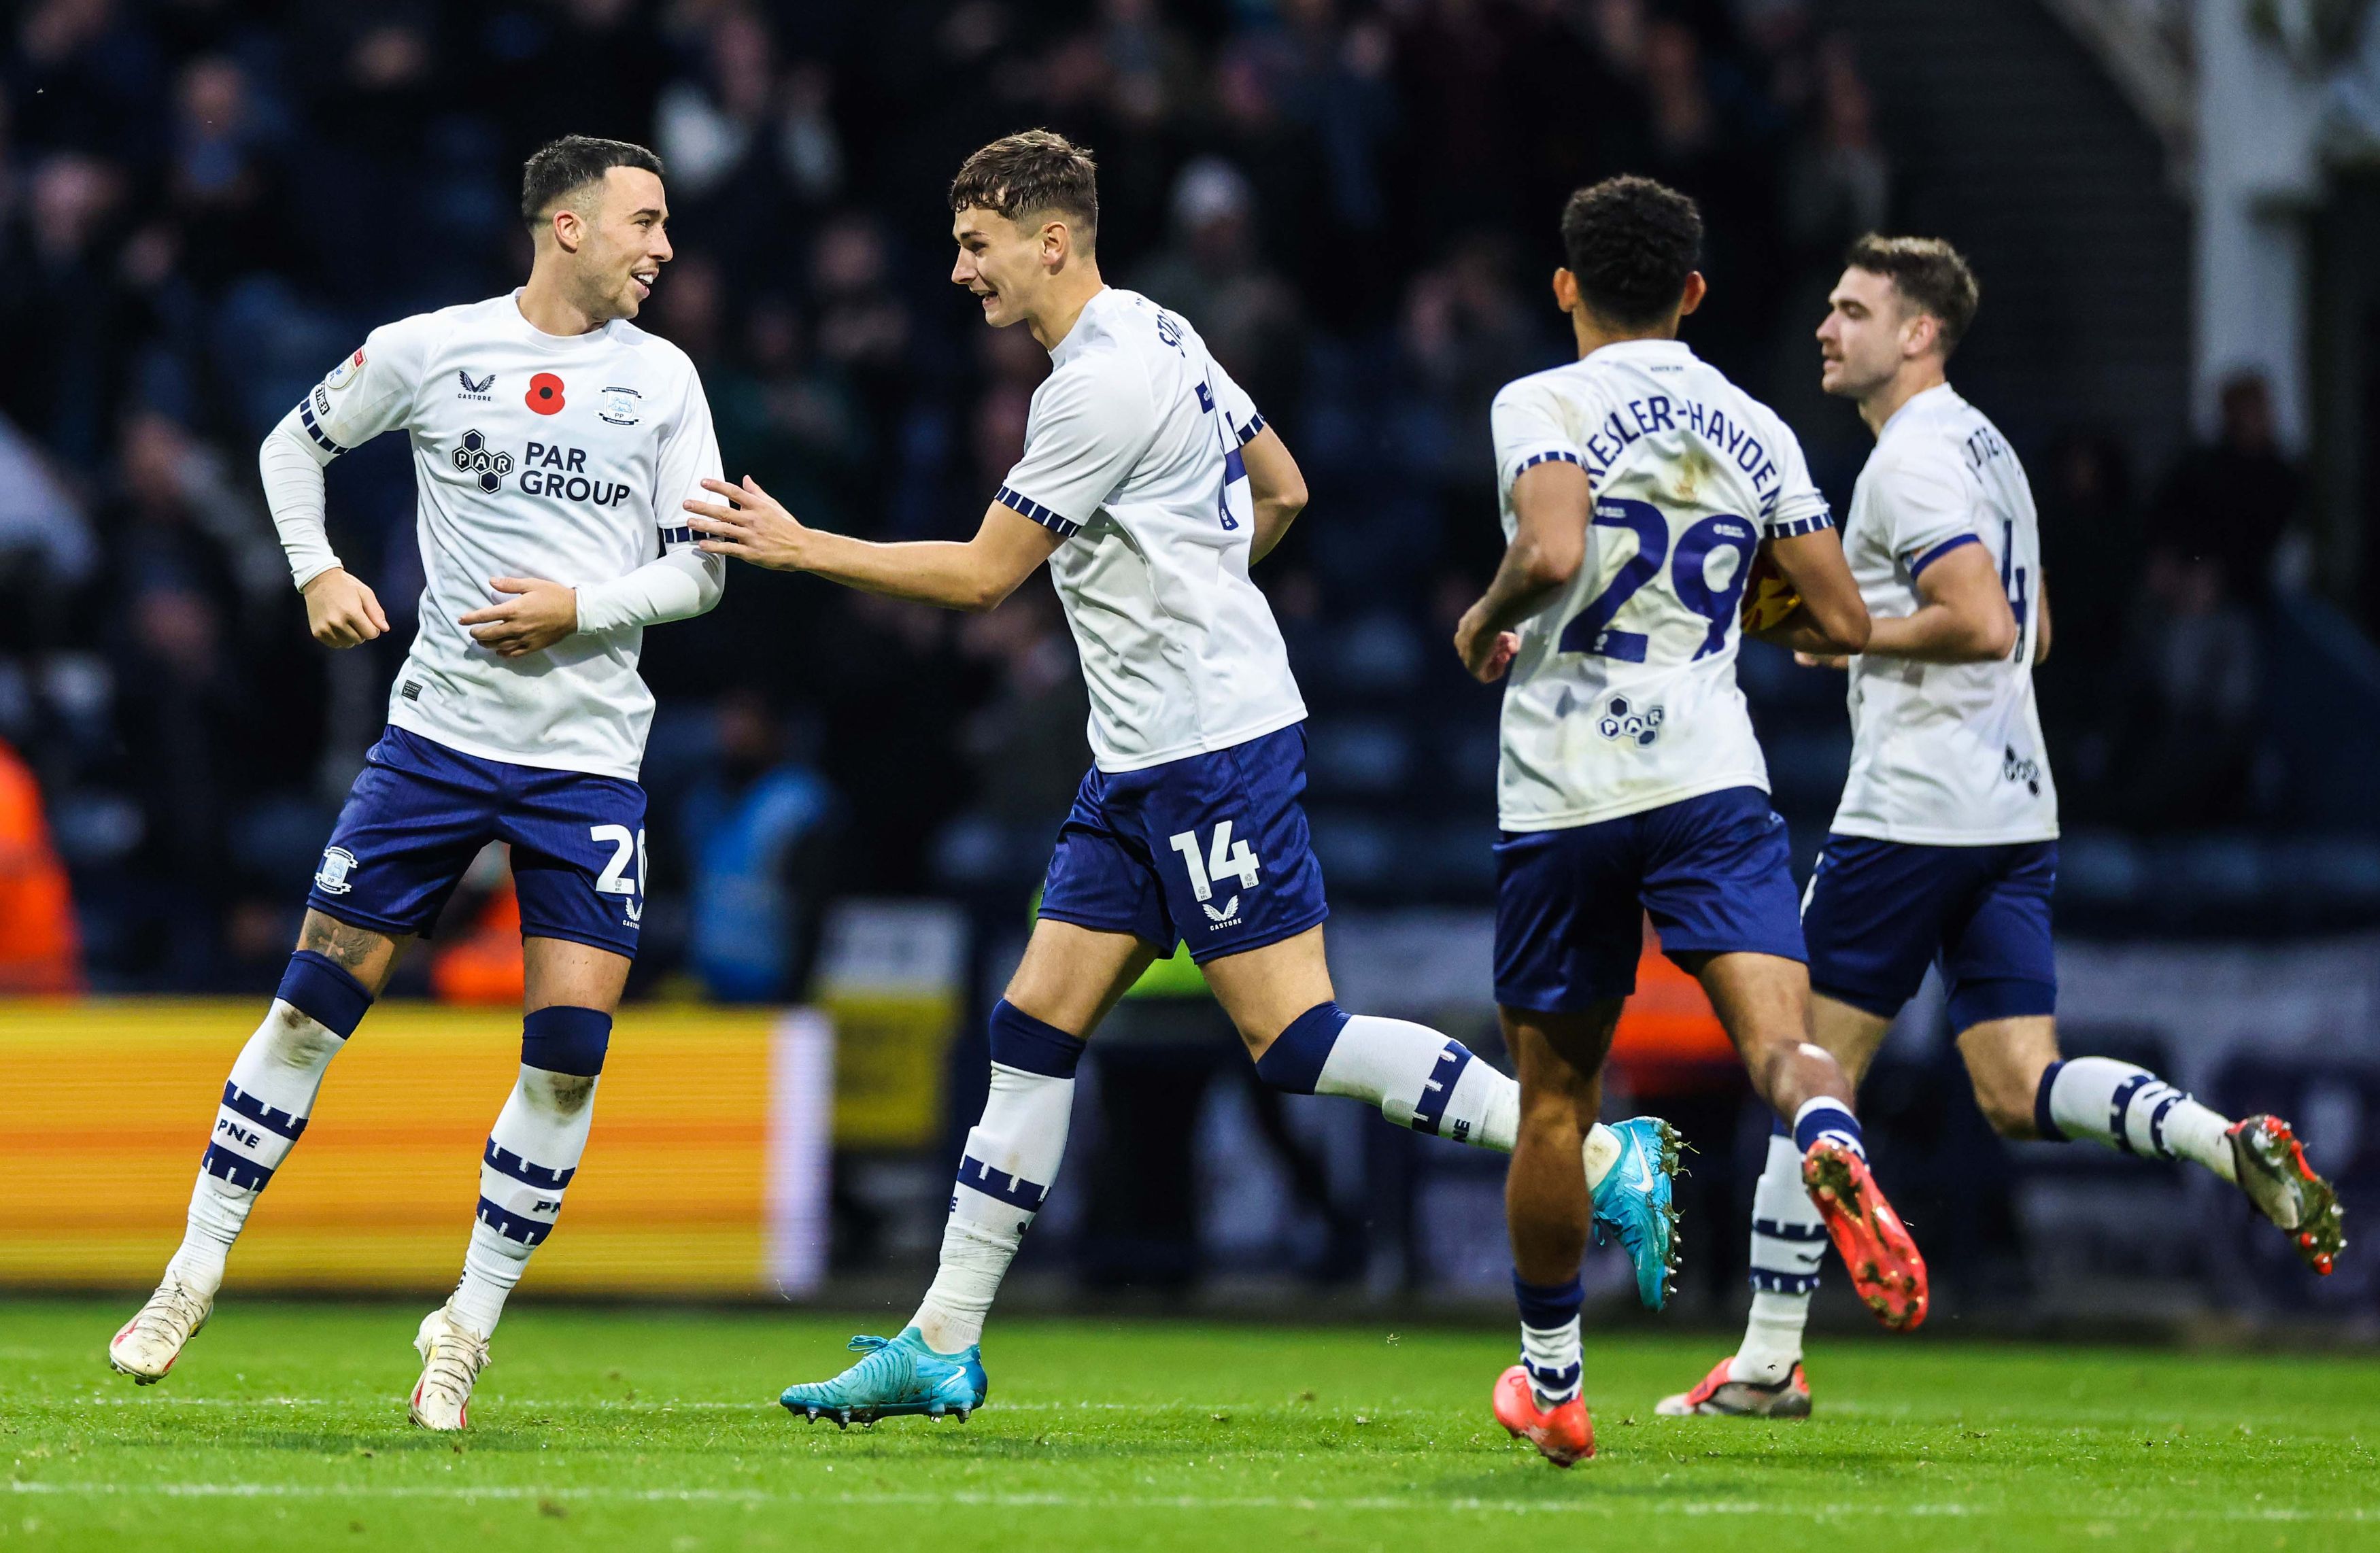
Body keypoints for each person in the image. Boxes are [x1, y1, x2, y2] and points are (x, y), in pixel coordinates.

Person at [685, 130, 1679, 1426]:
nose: (959, 273)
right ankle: (941, 1338)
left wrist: (803, 545)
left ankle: (1603, 1156)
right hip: (1142, 755)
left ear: (1051, 239)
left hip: (1210, 752)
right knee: (1031, 1026)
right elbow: (1285, 487)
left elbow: (987, 577)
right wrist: (1199, 588)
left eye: (976, 246)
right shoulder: (1164, 329)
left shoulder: (1094, 383)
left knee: (1298, 1042)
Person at [1657, 236, 2345, 1422]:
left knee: (1802, 1068)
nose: (1827, 326)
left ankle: (1767, 1362)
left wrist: (1863, 635)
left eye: (1853, 310)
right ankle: (2221, 1142)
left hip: (1912, 812)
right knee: (2019, 1086)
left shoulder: (1909, 464)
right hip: (2015, 808)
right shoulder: (1987, 446)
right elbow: (2033, 635)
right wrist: (1870, 625)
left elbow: (1978, 622)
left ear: (1918, 332)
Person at [105, 136, 726, 1432]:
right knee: (311, 1008)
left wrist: (580, 606)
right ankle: (192, 1268)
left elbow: (701, 572)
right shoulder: (434, 348)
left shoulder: (665, 380)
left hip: (586, 766)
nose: (665, 248)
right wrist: (315, 571)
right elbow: (291, 448)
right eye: (646, 223)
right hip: (436, 746)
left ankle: (467, 1327)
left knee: (566, 1057)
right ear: (567, 226)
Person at [1450, 176, 1922, 1469]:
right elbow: (1846, 622)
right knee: (1785, 1048)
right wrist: (1731, 610)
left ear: (1565, 287)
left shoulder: (1540, 402)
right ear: (1695, 293)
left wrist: (1489, 613)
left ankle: (1553, 1383)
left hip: (1564, 795)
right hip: (1712, 780)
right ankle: (1828, 1135)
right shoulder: (1758, 425)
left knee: (1555, 1104)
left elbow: (1550, 552)